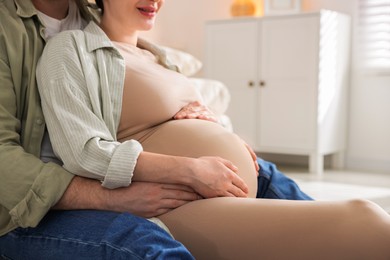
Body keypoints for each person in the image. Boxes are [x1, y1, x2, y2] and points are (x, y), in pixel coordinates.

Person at [35, 0, 390, 259]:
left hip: (228, 184)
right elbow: (84, 151)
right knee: (365, 219)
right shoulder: (72, 50)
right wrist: (192, 168)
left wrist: (222, 133)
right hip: (177, 202)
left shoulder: (160, 56)